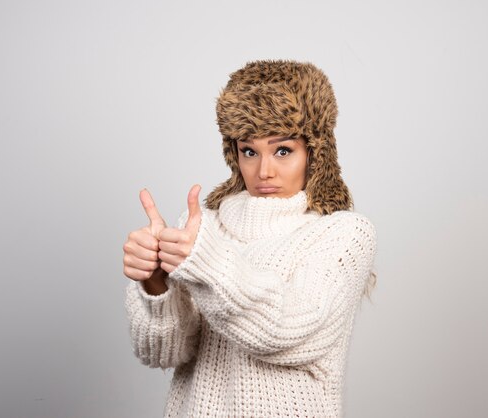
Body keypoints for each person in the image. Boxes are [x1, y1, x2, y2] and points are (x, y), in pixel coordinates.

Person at [122, 59, 378, 417]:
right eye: (249, 151)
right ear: (233, 153)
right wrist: (155, 280)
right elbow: (163, 353)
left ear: (315, 152)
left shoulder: (343, 234)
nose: (264, 170)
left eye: (283, 150)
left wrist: (205, 263)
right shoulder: (202, 228)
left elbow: (287, 331)